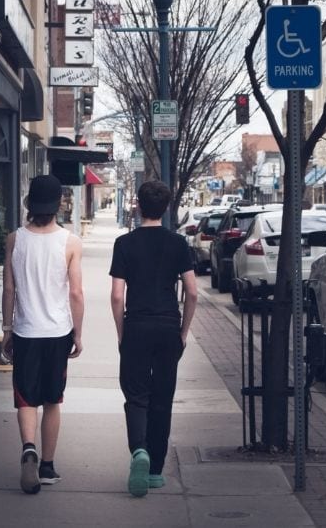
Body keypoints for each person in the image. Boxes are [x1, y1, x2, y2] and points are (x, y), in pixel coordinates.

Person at [109, 180, 198, 497]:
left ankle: (139, 451)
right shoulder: (178, 244)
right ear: (167, 207)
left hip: (137, 326)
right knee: (162, 397)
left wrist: (122, 332)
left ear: (138, 206)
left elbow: (117, 296)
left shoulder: (124, 244)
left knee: (135, 394)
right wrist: (183, 332)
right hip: (167, 328)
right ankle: (156, 470)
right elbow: (192, 291)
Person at [1, 174, 85, 495]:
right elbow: (75, 293)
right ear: (57, 206)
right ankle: (47, 466)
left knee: (25, 397)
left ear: (30, 205)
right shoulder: (70, 242)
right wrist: (78, 334)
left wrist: (7, 329)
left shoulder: (15, 240)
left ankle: (28, 449)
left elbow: (9, 289)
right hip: (57, 332)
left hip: (25, 330)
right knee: (52, 400)